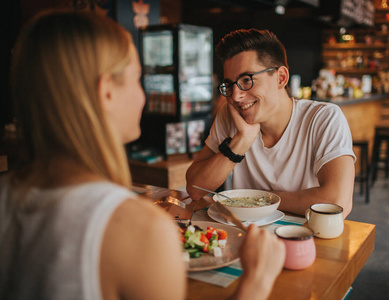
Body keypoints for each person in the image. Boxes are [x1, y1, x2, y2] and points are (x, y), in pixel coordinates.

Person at [0, 11, 285, 300]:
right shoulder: (142, 231)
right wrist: (257, 282)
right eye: (138, 79)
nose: (144, 96)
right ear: (106, 92)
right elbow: (195, 185)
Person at [186, 29, 355, 218]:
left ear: (281, 78)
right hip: (244, 237)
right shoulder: (231, 115)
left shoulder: (323, 118)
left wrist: (257, 202)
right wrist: (240, 143)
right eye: (230, 85)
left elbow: (337, 202)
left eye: (246, 80)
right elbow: (195, 189)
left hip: (304, 239)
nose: (235, 95)